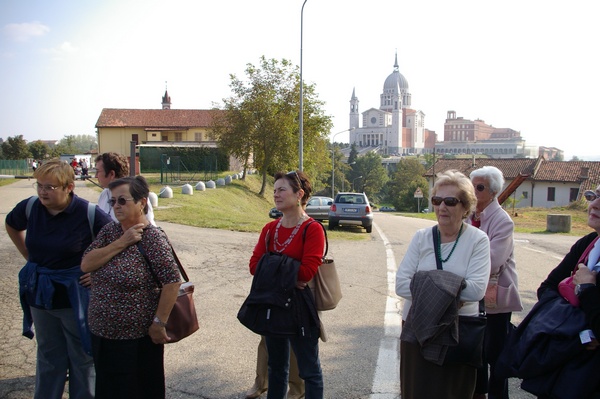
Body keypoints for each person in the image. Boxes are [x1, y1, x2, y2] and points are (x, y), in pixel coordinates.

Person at [5, 159, 112, 399]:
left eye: (50, 187)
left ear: (69, 187)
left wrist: (98, 273)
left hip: (75, 299)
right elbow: (12, 224)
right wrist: (29, 256)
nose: (43, 192)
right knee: (48, 357)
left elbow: (118, 243)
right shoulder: (30, 207)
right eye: (40, 185)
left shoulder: (88, 213)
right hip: (40, 297)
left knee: (82, 359)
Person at [81, 176, 181, 399]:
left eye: (122, 200)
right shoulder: (110, 232)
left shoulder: (153, 238)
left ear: (142, 202)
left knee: (137, 391)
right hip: (102, 333)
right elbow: (87, 263)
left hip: (136, 341)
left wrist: (159, 323)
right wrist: (122, 242)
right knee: (108, 390)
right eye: (113, 201)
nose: (116, 206)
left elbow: (172, 282)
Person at [395, 169, 491, 399]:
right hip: (418, 330)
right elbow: (401, 284)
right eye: (437, 201)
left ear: (465, 207)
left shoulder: (478, 240)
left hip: (458, 333)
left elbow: (476, 290)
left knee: (452, 393)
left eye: (450, 201)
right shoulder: (421, 237)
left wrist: (424, 284)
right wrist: (454, 287)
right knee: (416, 392)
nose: (442, 207)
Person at [248, 170, 325, 399]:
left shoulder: (313, 229)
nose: (276, 194)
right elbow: (254, 266)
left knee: (309, 370)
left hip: (300, 308)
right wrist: (289, 271)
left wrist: (271, 266)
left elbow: (306, 272)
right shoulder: (269, 229)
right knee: (276, 368)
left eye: (282, 189)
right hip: (274, 305)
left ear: (299, 194)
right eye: (274, 190)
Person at [531, 185, 600, 397]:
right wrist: (579, 331)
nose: (593, 204)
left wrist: (587, 289)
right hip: (571, 362)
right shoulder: (589, 243)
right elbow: (547, 288)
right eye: (594, 196)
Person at [469, 166, 523, 399]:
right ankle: (479, 393)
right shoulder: (470, 215)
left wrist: (464, 261)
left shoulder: (502, 220)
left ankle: (499, 396)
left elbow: (494, 260)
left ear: (493, 192)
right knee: (475, 350)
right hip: (474, 295)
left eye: (479, 187)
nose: (473, 191)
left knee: (496, 354)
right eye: (471, 186)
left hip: (495, 297)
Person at [95, 152, 155, 225]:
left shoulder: (135, 193)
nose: (95, 176)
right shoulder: (104, 194)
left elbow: (148, 226)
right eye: (113, 201)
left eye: (98, 171)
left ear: (112, 174)